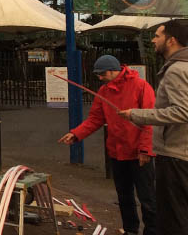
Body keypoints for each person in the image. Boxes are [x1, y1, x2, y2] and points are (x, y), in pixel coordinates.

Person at [58, 54, 155, 235]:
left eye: (101, 74)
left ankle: (152, 231)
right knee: (124, 196)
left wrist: (145, 149)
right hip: (117, 152)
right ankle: (130, 230)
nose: (99, 78)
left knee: (147, 197)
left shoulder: (141, 86)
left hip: (138, 152)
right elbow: (95, 119)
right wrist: (76, 133)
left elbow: (150, 120)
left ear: (112, 71)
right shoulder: (104, 91)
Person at [120, 20, 188, 235]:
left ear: (171, 40)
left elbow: (183, 112)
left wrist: (137, 114)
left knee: (174, 222)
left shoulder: (177, 70)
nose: (153, 40)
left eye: (157, 35)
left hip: (177, 158)